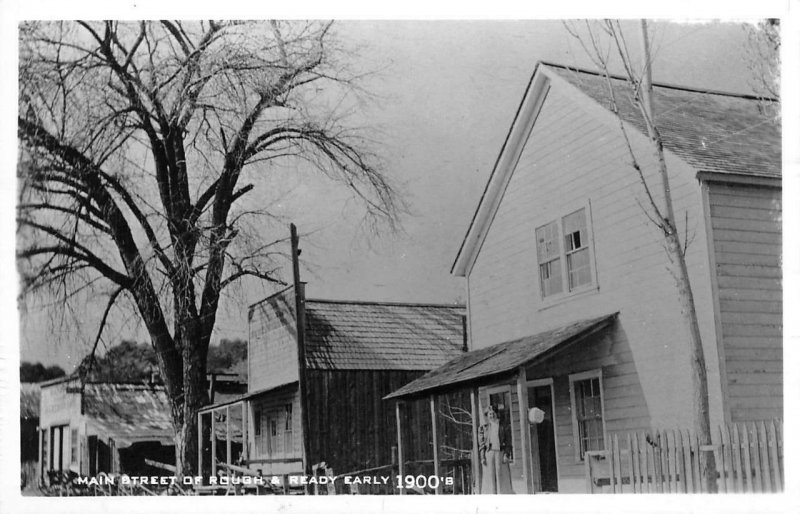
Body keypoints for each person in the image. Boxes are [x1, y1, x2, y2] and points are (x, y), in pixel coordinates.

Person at [478, 405, 514, 494]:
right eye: (490, 414)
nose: (492, 415)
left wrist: (506, 454)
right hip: (489, 453)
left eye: (493, 413)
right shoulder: (484, 427)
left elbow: (508, 442)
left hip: (500, 453)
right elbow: (482, 444)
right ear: (487, 415)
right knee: (490, 477)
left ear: (497, 414)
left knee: (501, 476)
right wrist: (482, 457)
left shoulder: (503, 426)